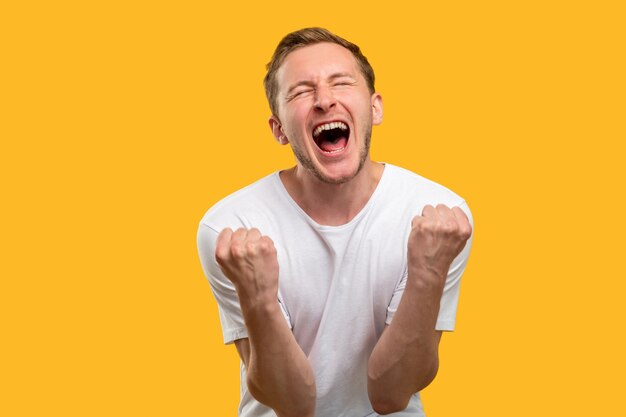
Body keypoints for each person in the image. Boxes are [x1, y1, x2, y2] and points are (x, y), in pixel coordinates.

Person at [197, 27, 473, 417]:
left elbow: (391, 395)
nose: (324, 100)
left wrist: (428, 272)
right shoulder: (232, 228)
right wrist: (259, 299)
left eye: (341, 83)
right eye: (300, 91)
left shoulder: (439, 215)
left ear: (374, 108)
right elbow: (292, 404)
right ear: (278, 129)